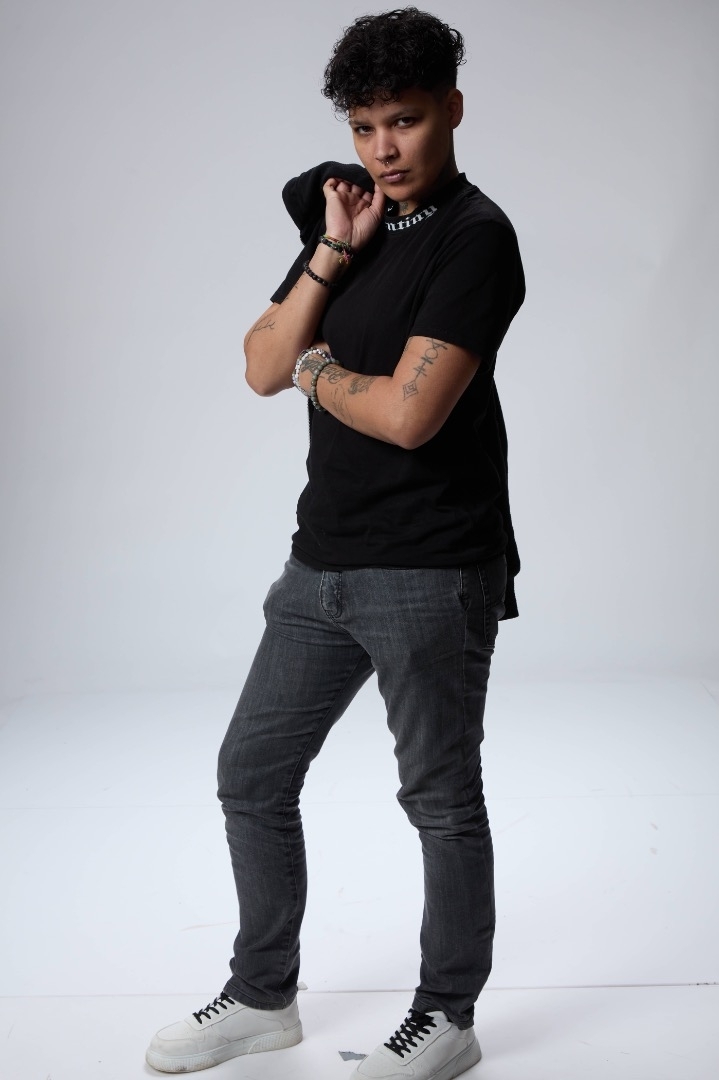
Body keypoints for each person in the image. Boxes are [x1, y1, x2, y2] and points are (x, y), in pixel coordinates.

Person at [145, 7, 525, 1078]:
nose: (383, 150)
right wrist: (329, 249)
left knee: (438, 799)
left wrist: (316, 370)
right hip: (320, 563)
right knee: (250, 774)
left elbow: (408, 414)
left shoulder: (476, 238)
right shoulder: (349, 215)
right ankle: (264, 997)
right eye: (363, 127)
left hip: (431, 567)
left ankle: (446, 1018)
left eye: (404, 121)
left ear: (451, 109)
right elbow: (260, 365)